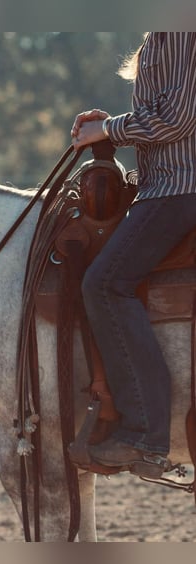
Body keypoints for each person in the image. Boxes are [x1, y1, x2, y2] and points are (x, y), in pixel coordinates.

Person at [70, 32, 196, 478]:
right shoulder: (160, 36)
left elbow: (179, 119)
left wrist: (107, 129)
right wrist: (109, 130)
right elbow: (162, 119)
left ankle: (145, 433)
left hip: (179, 189)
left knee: (105, 284)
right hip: (162, 185)